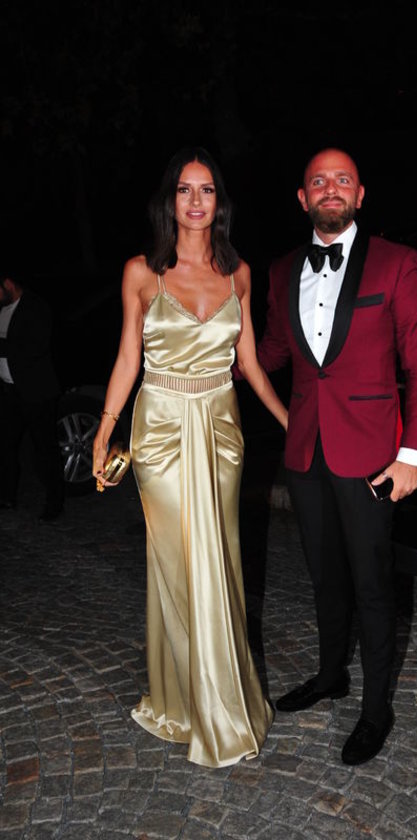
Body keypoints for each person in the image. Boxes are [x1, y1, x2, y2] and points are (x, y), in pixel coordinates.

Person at [92, 146, 288, 768]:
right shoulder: (141, 272)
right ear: (169, 200)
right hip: (161, 430)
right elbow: (129, 357)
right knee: (178, 564)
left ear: (220, 203)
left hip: (222, 428)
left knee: (220, 558)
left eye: (206, 190)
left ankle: (217, 702)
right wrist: (104, 429)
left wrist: (293, 422)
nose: (196, 200)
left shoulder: (240, 274)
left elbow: (248, 362)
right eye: (185, 189)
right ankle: (190, 703)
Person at [257, 148, 417, 765]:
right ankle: (331, 673)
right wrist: (208, 355)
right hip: (306, 449)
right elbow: (273, 350)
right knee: (324, 577)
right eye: (318, 181)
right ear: (302, 198)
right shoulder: (281, 270)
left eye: (342, 180)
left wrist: (413, 454)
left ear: (360, 195)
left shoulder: (397, 262)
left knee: (372, 582)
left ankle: (376, 709)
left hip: (371, 454)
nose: (329, 188)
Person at [0, 271, 65, 521]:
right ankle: (8, 495)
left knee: (44, 448)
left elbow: (35, 346)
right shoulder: (2, 308)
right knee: (6, 445)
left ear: (8, 284)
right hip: (9, 391)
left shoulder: (35, 307)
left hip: (36, 392)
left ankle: (54, 502)